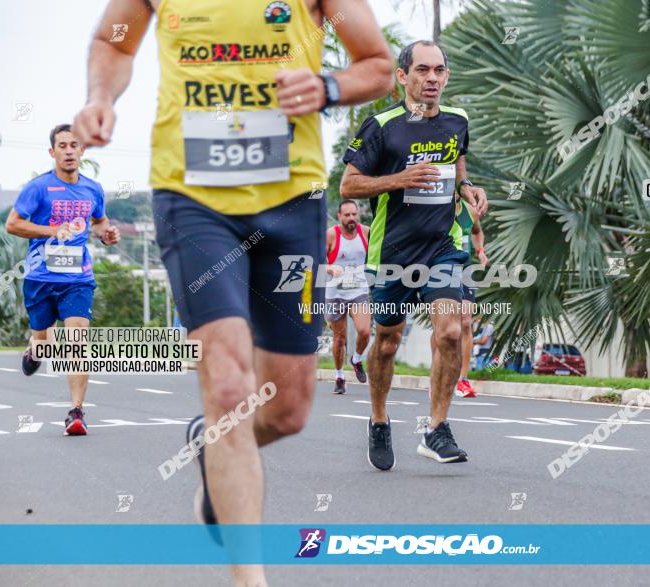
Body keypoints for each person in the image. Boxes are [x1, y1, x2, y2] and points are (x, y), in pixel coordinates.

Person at [73, 2, 392, 585]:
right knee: (226, 382)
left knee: (288, 409)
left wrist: (326, 86)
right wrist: (101, 97)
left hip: (290, 203)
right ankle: (250, 577)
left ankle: (210, 445)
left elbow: (377, 65)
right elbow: (115, 41)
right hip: (192, 198)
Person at [340, 40, 488, 470]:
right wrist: (400, 178)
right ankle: (380, 420)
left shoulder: (457, 121)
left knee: (450, 333)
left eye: (439, 71)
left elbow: (457, 167)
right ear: (403, 77)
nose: (432, 79)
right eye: (422, 70)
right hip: (393, 253)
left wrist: (468, 190)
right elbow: (349, 186)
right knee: (385, 344)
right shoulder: (382, 126)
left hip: (442, 248)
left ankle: (436, 428)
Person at [5, 123, 120, 435]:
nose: (69, 151)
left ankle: (76, 411)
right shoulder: (38, 187)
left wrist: (107, 234)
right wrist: (51, 231)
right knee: (42, 337)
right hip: (41, 275)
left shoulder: (93, 188)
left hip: (77, 277)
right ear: (52, 152)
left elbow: (98, 223)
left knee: (78, 341)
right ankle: (34, 348)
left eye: (74, 145)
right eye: (63, 146)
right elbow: (13, 225)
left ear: (82, 151)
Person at [429, 196, 488, 398]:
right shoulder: (434, 209)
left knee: (465, 322)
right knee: (441, 325)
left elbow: (477, 232)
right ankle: (436, 375)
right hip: (440, 270)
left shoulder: (469, 211)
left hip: (465, 270)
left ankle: (462, 379)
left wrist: (480, 251)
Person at [324, 199, 371, 394]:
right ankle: (339, 375)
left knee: (365, 331)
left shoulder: (366, 232)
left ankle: (357, 359)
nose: (352, 218)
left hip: (358, 290)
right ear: (339, 216)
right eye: (347, 215)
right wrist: (329, 267)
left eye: (354, 214)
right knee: (340, 338)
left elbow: (376, 255)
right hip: (335, 293)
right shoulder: (331, 235)